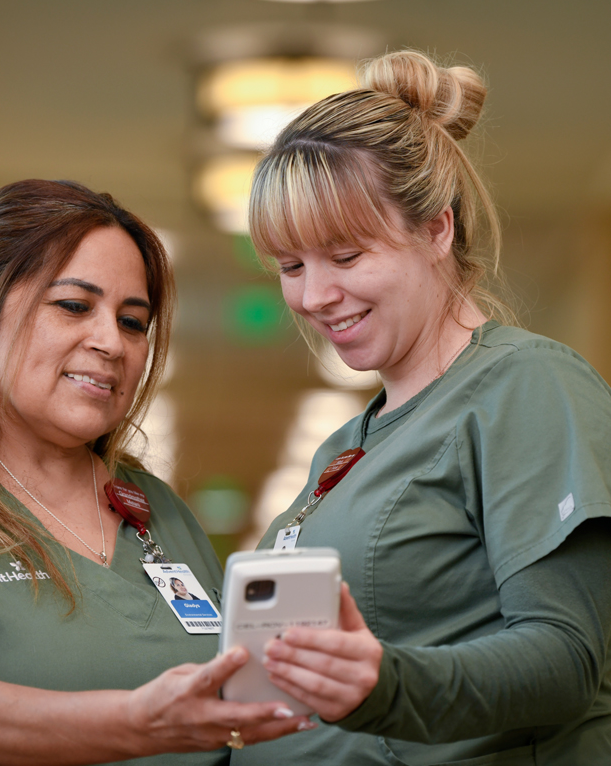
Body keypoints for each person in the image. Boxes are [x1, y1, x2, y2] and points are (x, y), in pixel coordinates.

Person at [0, 180, 314, 765]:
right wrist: (141, 721)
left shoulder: (158, 510)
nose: (111, 342)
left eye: (133, 321)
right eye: (73, 306)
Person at [232, 50, 611, 765]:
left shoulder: (527, 387)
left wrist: (385, 684)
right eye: (291, 266)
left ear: (438, 229)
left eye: (345, 257)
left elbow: (565, 657)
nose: (313, 296)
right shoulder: (345, 445)